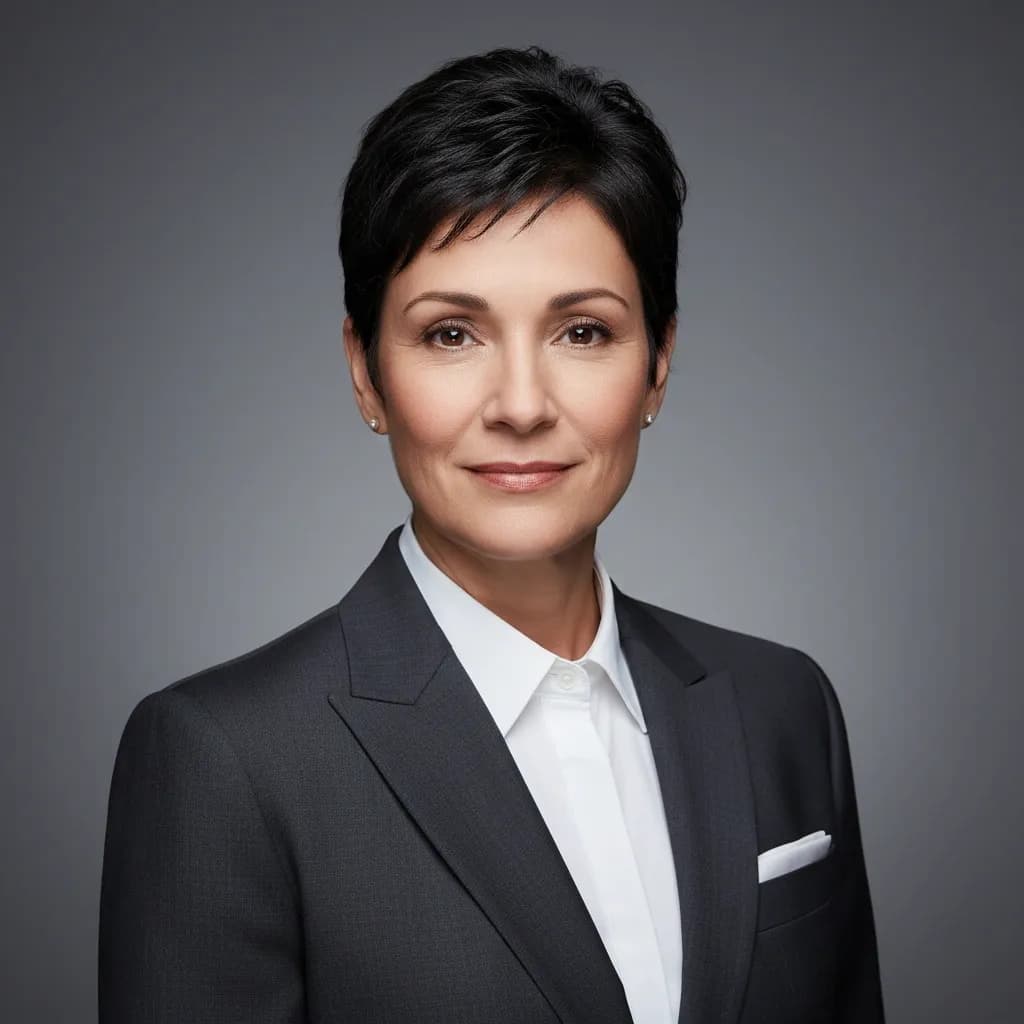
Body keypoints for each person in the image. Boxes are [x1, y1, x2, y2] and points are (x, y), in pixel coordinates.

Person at [98, 45, 885, 1024]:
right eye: (451, 333)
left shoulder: (782, 706)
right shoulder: (227, 759)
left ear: (659, 364)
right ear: (364, 371)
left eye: (582, 331)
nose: (520, 405)